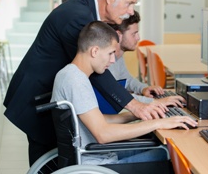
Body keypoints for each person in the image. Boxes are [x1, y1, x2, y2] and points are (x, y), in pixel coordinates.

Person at [3, 0, 169, 166]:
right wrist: (136, 106)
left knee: (59, 157)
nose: (131, 12)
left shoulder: (88, 14)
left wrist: (142, 108)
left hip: (53, 96)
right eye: (129, 3)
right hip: (35, 96)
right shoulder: (77, 17)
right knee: (46, 157)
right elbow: (99, 72)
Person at [51, 21, 198, 165]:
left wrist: (138, 114)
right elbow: (103, 134)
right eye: (110, 53)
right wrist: (158, 123)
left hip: (101, 154)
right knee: (169, 154)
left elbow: (100, 121)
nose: (113, 60)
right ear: (94, 51)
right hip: (97, 163)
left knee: (165, 149)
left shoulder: (70, 74)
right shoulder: (76, 80)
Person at [108, 10, 186, 106]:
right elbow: (116, 95)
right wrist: (154, 102)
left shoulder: (118, 56)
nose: (138, 38)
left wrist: (143, 88)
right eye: (134, 34)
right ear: (118, 35)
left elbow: (126, 80)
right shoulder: (106, 62)